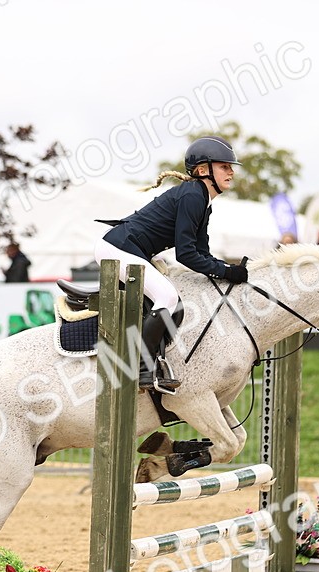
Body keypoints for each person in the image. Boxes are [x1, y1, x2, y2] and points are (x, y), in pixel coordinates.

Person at [95, 135, 247, 392]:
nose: (231, 171)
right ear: (203, 170)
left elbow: (202, 252)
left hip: (133, 250)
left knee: (170, 295)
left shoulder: (203, 202)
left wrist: (227, 269)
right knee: (166, 296)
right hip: (116, 250)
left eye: (230, 167)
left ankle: (154, 359)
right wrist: (227, 271)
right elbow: (186, 255)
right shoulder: (193, 196)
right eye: (224, 166)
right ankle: (139, 368)